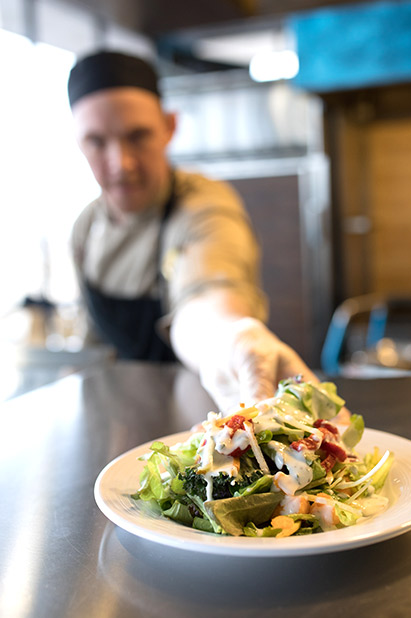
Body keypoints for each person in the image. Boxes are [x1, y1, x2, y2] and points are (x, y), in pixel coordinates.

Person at [67, 50, 317, 413]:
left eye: (137, 136)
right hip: (120, 417)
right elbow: (95, 342)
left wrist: (228, 338)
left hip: (206, 418)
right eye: (96, 142)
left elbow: (208, 293)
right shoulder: (84, 229)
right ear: (78, 142)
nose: (121, 163)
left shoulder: (203, 204)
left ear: (170, 126)